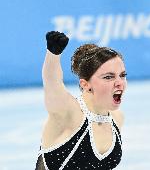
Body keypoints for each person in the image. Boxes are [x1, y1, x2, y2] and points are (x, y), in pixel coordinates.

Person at [35, 31, 127, 170]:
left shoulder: (117, 118)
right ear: (85, 84)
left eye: (122, 75)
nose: (120, 83)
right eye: (109, 77)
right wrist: (53, 54)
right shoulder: (68, 112)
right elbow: (52, 81)